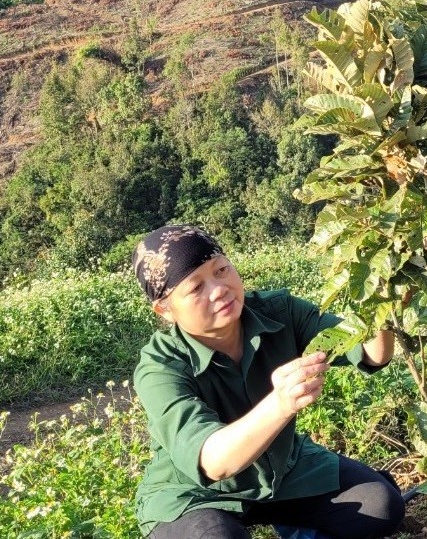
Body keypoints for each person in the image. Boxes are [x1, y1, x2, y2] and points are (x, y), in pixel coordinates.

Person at [130, 225, 406, 539]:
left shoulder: (281, 313)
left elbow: (370, 353)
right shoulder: (159, 368)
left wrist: (383, 304)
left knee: (382, 507)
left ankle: (294, 523)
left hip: (283, 470)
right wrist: (280, 404)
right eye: (195, 288)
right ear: (164, 310)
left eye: (221, 269)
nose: (219, 289)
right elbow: (213, 463)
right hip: (196, 493)